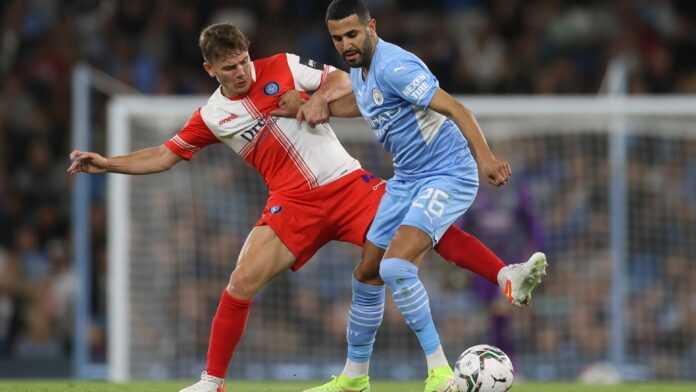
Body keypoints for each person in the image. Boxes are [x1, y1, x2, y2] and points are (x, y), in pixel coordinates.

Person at [67, 23, 541, 392]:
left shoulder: (286, 66)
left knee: (419, 236)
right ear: (210, 70)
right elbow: (165, 155)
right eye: (229, 67)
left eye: (244, 60)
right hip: (292, 206)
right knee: (241, 280)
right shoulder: (212, 116)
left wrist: (314, 100)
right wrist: (107, 162)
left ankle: (504, 275)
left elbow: (342, 81)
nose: (242, 72)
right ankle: (213, 380)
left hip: (347, 183)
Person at [297, 1, 548, 391]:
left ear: (371, 27)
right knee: (367, 273)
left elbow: (457, 108)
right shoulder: (360, 72)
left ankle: (440, 372)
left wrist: (486, 158)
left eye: (352, 34)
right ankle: (353, 379)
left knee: (396, 267)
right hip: (409, 178)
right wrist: (315, 104)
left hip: (447, 173)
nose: (346, 44)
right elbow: (365, 104)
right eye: (337, 38)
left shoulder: (396, 66)